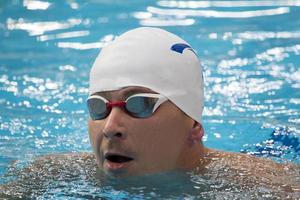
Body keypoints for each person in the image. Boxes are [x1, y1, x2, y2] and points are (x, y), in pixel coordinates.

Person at [1, 27, 299, 198]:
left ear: (194, 125)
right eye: (99, 107)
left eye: (138, 105)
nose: (110, 127)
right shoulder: (51, 175)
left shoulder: (264, 187)